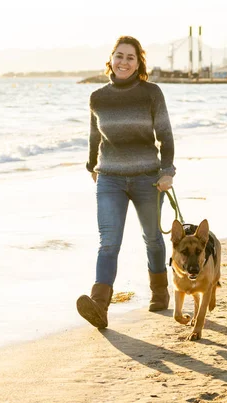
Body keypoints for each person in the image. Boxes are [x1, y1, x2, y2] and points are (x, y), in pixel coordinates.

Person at [76, 36, 176, 329]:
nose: (124, 62)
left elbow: (165, 135)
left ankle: (159, 291)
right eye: (119, 56)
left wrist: (167, 171)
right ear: (111, 59)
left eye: (130, 57)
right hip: (110, 179)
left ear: (138, 62)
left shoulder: (151, 93)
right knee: (108, 243)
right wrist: (92, 165)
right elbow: (95, 137)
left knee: (153, 239)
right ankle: (99, 305)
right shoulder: (98, 97)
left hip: (148, 178)